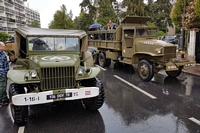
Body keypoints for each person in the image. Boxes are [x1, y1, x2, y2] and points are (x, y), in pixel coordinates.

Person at [0, 42, 9, 107]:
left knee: (3, 86)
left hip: (4, 72)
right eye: (3, 46)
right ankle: (1, 101)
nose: (5, 46)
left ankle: (5, 99)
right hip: (1, 73)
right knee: (2, 88)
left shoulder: (3, 53)